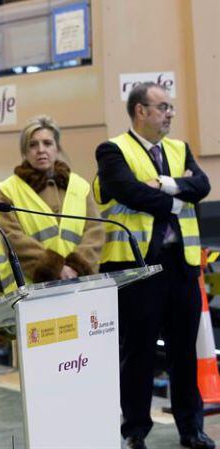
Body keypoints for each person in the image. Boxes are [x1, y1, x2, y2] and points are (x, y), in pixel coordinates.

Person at [94, 82, 212, 449]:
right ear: (140, 110)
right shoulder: (113, 150)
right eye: (163, 107)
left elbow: (203, 185)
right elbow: (129, 192)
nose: (170, 114)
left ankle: (191, 429)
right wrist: (178, 197)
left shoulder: (179, 149)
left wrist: (163, 184)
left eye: (171, 107)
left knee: (184, 354)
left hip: (181, 268)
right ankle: (135, 432)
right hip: (138, 268)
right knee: (138, 354)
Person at [0, 115, 104, 292]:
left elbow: (95, 231)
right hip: (32, 289)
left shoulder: (79, 186)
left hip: (77, 283)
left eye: (47, 143)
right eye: (33, 145)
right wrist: (56, 268)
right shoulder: (9, 189)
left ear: (57, 148)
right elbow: (12, 237)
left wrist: (75, 267)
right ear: (24, 151)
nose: (40, 150)